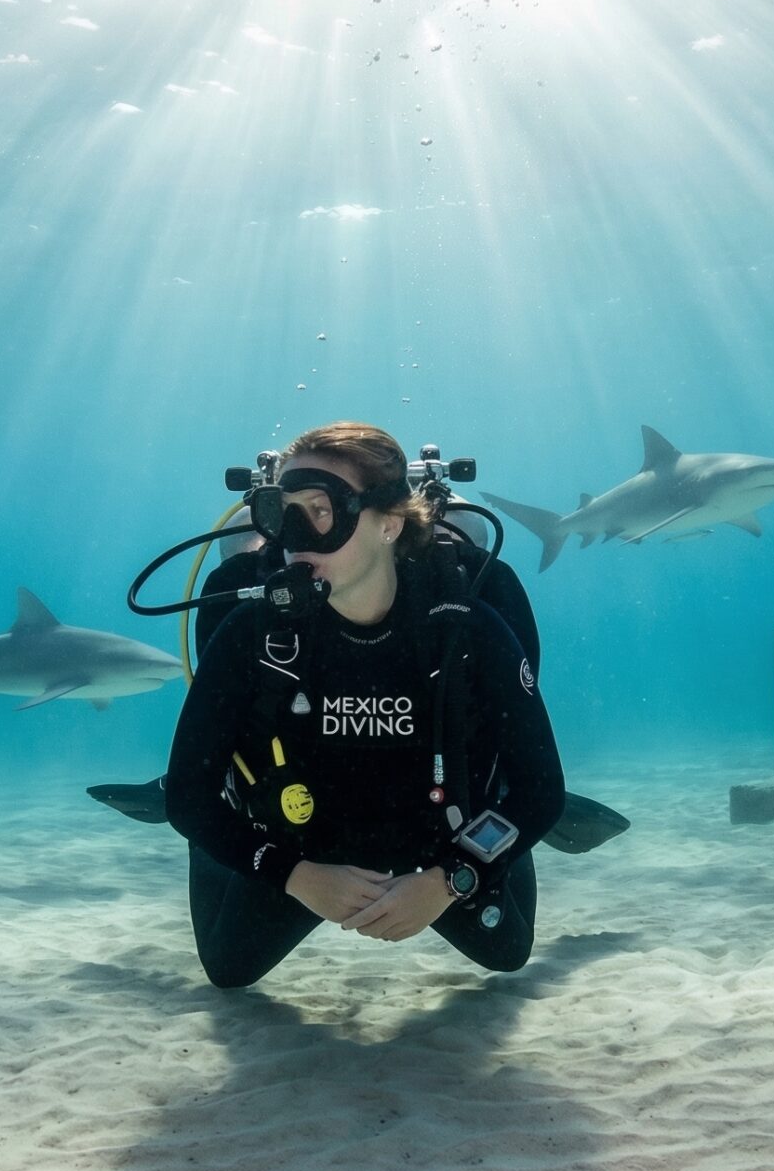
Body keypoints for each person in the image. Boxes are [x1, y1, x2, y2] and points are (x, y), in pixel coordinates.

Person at [166, 423, 566, 988]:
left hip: (438, 841)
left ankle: (489, 841)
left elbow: (540, 791)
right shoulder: (250, 632)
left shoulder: (466, 628)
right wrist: (295, 875)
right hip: (303, 842)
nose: (296, 538)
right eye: (283, 512)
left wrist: (452, 878)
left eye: (321, 510)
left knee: (508, 953)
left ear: (389, 523)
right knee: (228, 968)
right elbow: (187, 795)